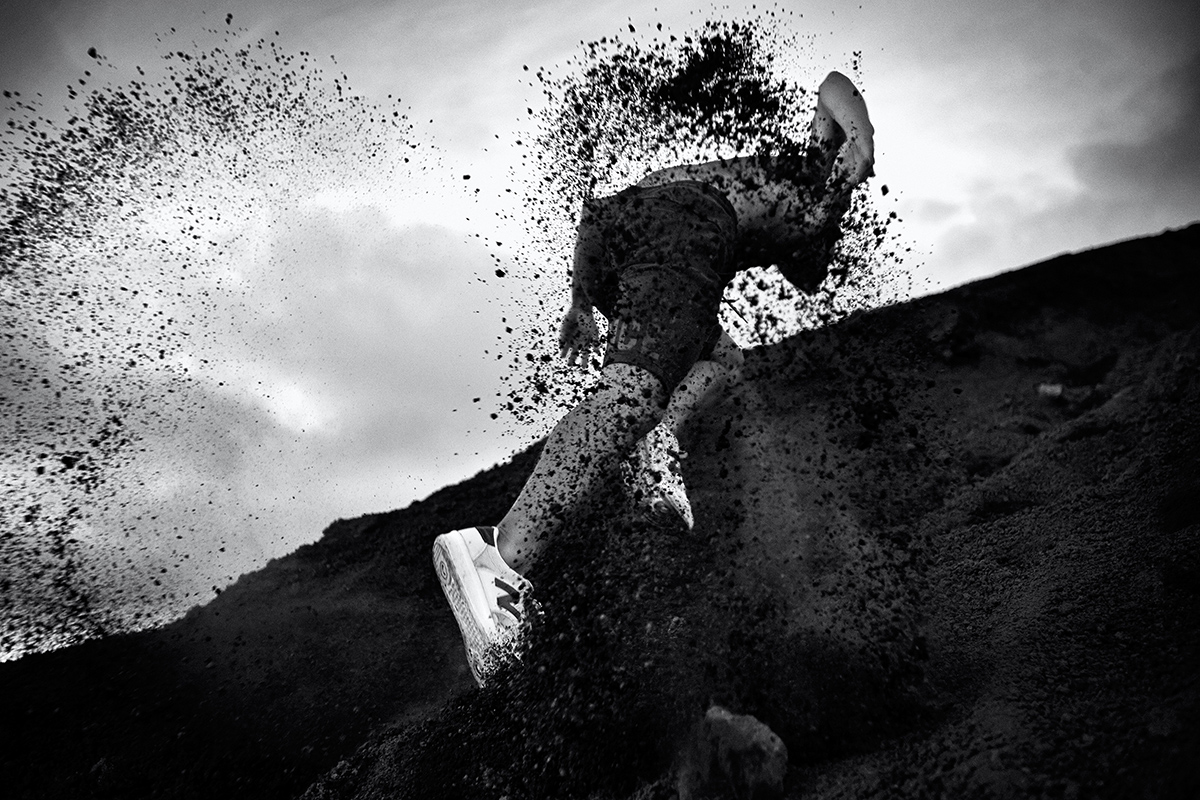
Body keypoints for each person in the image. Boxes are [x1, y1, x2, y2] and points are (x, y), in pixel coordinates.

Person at [432, 71, 875, 686]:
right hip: (686, 226)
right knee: (632, 396)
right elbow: (832, 86)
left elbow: (599, 217)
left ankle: (656, 448)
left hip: (626, 230)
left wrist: (581, 301)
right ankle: (499, 556)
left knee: (723, 364)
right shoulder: (811, 171)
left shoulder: (770, 197)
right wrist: (861, 139)